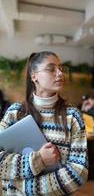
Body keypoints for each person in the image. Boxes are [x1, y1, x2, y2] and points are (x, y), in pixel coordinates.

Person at [0, 51, 88, 196]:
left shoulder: (72, 115)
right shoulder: (14, 112)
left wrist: (27, 188)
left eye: (61, 68)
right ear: (34, 76)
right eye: (51, 68)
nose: (60, 73)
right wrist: (38, 160)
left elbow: (79, 171)